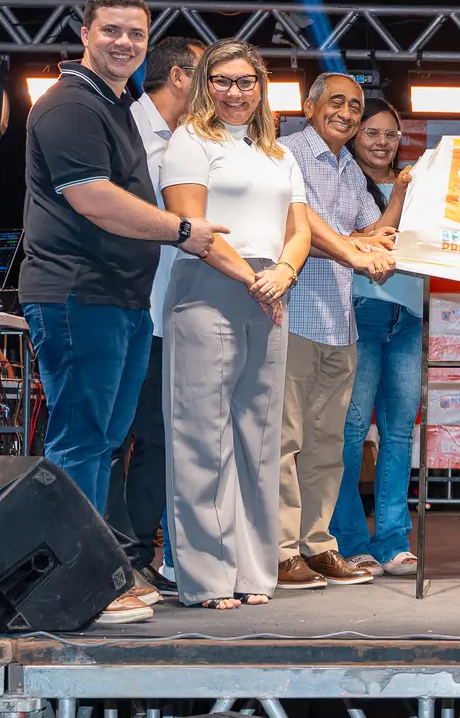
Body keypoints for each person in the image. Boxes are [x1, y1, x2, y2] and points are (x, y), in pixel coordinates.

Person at [20, 0, 223, 624]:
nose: (124, 43)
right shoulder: (70, 104)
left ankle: (97, 573)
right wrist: (183, 230)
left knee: (105, 439)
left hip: (122, 300)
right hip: (79, 294)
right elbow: (95, 200)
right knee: (82, 439)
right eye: (111, 30)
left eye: (136, 33)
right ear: (85, 33)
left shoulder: (114, 104)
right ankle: (73, 585)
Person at [160, 39, 310, 609]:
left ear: (261, 86)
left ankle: (253, 573)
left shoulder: (279, 153)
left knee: (260, 438)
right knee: (202, 438)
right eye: (221, 80)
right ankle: (206, 578)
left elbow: (299, 228)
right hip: (210, 286)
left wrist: (284, 273)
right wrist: (252, 278)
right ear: (204, 84)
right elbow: (191, 224)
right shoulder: (190, 140)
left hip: (269, 290)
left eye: (246, 81)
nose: (234, 92)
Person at [276, 73, 398, 590]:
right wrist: (354, 249)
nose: (347, 113)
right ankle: (280, 551)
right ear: (309, 107)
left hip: (339, 323)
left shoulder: (350, 167)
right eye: (337, 102)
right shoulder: (285, 153)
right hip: (293, 317)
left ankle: (317, 544)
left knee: (327, 445)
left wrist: (399, 203)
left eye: (354, 106)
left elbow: (373, 232)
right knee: (285, 442)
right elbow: (303, 223)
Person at [108, 35, 204, 599]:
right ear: (180, 77)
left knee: (159, 439)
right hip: (120, 304)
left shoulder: (190, 142)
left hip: (170, 313)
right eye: (208, 76)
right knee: (109, 439)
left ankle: (139, 555)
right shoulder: (124, 127)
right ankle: (103, 560)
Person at [328, 95, 426, 578]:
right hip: (359, 313)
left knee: (399, 433)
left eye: (391, 133)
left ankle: (393, 541)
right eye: (372, 132)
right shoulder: (343, 182)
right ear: (354, 136)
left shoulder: (421, 185)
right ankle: (348, 540)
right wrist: (402, 195)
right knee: (349, 433)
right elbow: (364, 241)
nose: (383, 142)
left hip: (408, 316)